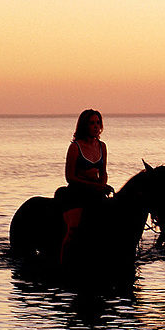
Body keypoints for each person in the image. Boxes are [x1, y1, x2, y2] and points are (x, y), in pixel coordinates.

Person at [59, 109, 114, 257]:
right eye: (92, 123)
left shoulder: (102, 146)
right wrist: (95, 185)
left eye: (98, 123)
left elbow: (104, 172)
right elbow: (69, 177)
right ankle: (64, 258)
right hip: (77, 193)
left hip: (96, 193)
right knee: (73, 229)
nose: (96, 126)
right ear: (84, 126)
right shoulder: (75, 147)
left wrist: (102, 185)